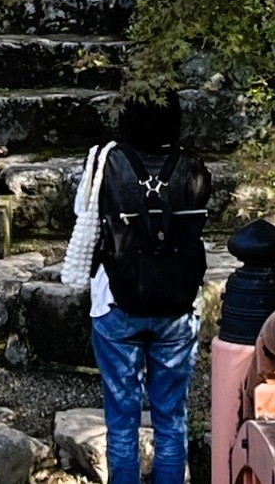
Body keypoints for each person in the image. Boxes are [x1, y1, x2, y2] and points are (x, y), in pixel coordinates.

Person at [89, 94, 211, 484]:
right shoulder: (192, 167)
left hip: (116, 300)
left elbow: (85, 215)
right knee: (171, 419)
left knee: (122, 421)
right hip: (177, 303)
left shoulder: (108, 161)